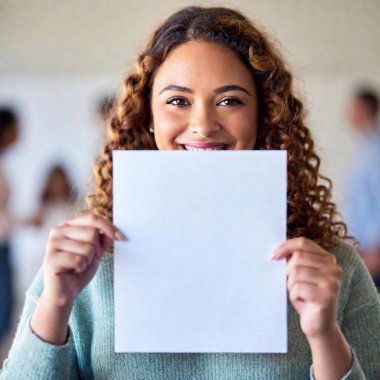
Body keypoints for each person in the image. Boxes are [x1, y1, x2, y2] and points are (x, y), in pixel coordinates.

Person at [1, 6, 380, 379]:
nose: (202, 124)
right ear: (147, 117)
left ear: (264, 114)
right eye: (177, 101)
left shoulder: (333, 267)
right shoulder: (85, 262)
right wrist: (57, 301)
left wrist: (324, 336)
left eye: (230, 101)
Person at [343, 88, 380, 290]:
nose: (348, 113)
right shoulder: (364, 149)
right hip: (363, 249)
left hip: (374, 253)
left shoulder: (376, 151)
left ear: (365, 109)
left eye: (353, 107)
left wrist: (376, 250)